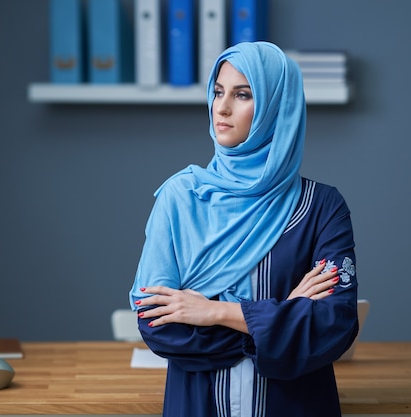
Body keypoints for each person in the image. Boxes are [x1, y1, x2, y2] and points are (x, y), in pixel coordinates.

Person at [129, 41, 358, 417]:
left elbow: (334, 325)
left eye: (243, 94)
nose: (221, 107)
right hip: (197, 405)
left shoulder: (321, 207)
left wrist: (216, 313)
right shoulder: (181, 198)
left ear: (275, 107)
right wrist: (282, 317)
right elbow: (157, 325)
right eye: (218, 92)